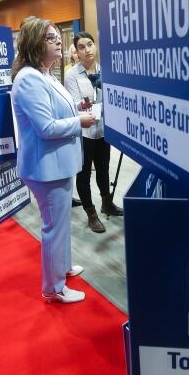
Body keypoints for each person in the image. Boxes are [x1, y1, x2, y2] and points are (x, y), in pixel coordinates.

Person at [11, 16, 96, 303]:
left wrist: (77, 107)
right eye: (50, 38)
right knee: (54, 227)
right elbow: (46, 128)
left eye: (57, 37)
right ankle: (54, 288)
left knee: (60, 223)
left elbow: (58, 110)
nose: (59, 41)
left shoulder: (45, 75)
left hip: (58, 165)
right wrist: (80, 121)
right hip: (45, 168)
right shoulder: (28, 79)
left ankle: (64, 267)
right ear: (35, 44)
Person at [65, 31, 124, 233]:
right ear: (77, 52)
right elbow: (72, 105)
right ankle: (91, 213)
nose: (87, 49)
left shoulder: (104, 70)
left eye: (89, 44)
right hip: (84, 131)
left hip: (102, 129)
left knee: (104, 168)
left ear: (95, 46)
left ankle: (106, 202)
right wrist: (85, 103)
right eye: (81, 47)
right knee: (83, 174)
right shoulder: (72, 74)